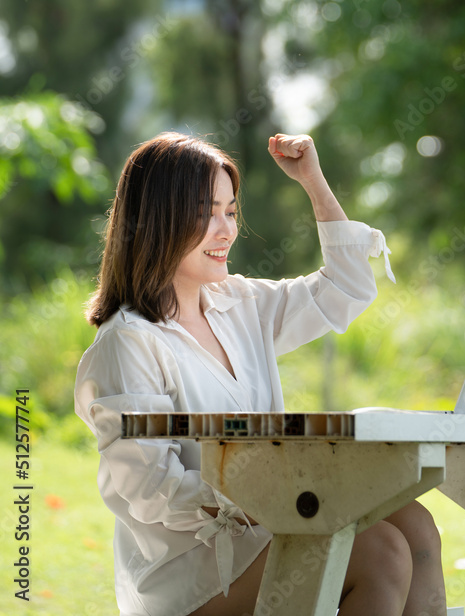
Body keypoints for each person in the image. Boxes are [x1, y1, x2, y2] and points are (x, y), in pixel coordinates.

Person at [75, 130, 446, 616]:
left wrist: (312, 181)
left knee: (414, 524)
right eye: (206, 212)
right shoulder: (129, 343)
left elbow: (346, 289)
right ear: (157, 218)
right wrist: (283, 492)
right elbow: (152, 491)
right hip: (189, 569)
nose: (225, 230)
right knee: (380, 552)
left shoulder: (239, 302)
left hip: (269, 523)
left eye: (230, 211)